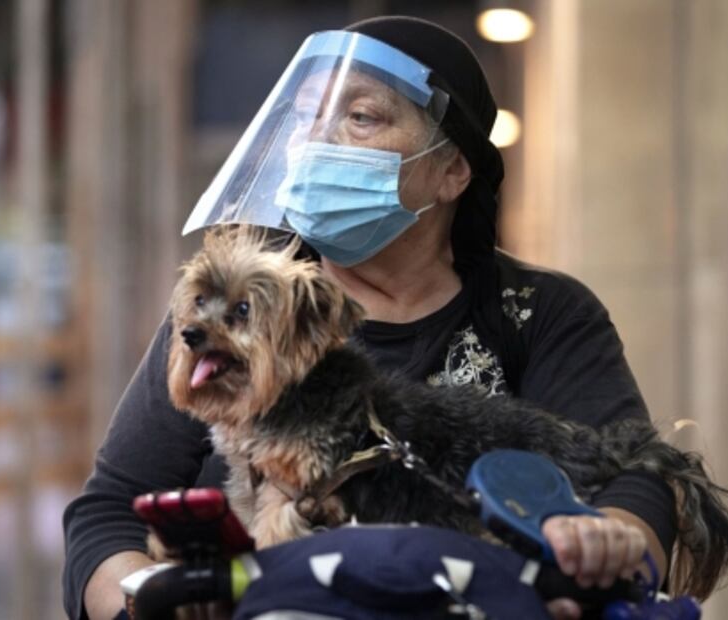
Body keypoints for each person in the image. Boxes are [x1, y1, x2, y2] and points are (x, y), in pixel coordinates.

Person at [63, 16, 677, 620]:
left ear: (452, 170)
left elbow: (636, 479)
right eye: (306, 117)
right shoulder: (231, 309)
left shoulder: (541, 315)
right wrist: (150, 601)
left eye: (360, 117)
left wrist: (604, 542)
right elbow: (108, 512)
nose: (317, 141)